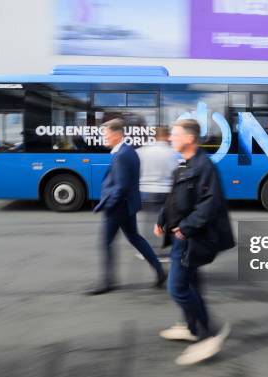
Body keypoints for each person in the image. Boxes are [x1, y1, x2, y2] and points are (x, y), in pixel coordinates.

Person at [154, 119, 235, 365]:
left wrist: (186, 228)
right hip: (183, 235)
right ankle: (191, 327)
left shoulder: (204, 166)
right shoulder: (185, 164)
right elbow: (173, 199)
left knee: (177, 288)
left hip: (191, 238)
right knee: (191, 283)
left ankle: (209, 334)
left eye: (175, 134)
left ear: (189, 138)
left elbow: (210, 204)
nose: (170, 138)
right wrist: (161, 220)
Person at [88, 119, 166, 295]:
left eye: (106, 134)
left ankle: (107, 282)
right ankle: (160, 271)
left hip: (118, 207)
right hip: (127, 205)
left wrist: (108, 204)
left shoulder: (122, 155)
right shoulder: (127, 151)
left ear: (117, 134)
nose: (104, 138)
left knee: (105, 243)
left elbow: (121, 186)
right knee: (135, 238)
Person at [136, 127, 180, 260]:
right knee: (168, 221)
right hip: (167, 191)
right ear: (166, 137)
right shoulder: (174, 153)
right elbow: (179, 172)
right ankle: (168, 250)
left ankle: (149, 251)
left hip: (147, 191)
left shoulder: (142, 151)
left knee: (148, 222)